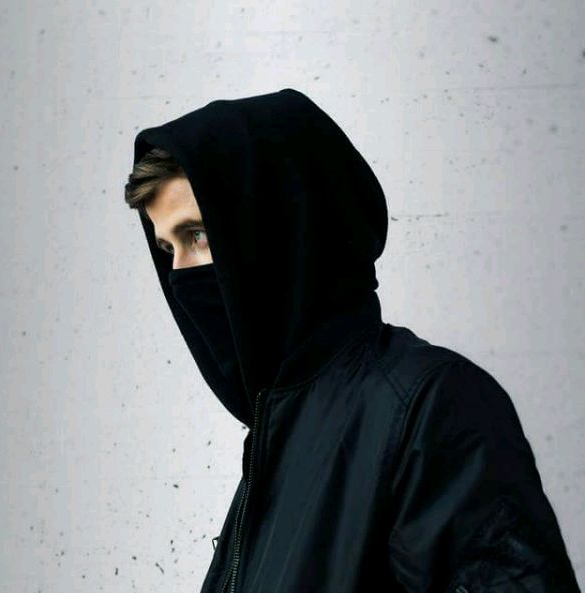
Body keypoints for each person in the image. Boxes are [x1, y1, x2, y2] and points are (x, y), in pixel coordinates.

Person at [124, 88, 581, 593]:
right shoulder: (279, 439)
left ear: (284, 228)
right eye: (167, 248)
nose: (179, 275)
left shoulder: (430, 408)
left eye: (197, 235)